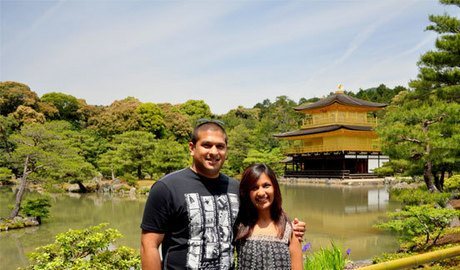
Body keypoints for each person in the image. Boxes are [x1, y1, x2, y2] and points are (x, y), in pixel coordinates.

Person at [141, 119, 305, 270]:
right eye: (206, 145)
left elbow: (260, 214)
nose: (214, 152)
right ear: (192, 148)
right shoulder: (167, 187)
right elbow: (149, 246)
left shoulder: (235, 188)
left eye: (220, 146)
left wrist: (291, 228)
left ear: (226, 150)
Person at [234, 163, 302, 270]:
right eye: (254, 187)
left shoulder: (290, 230)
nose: (261, 193)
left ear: (275, 188)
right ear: (247, 192)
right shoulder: (240, 226)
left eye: (266, 185)